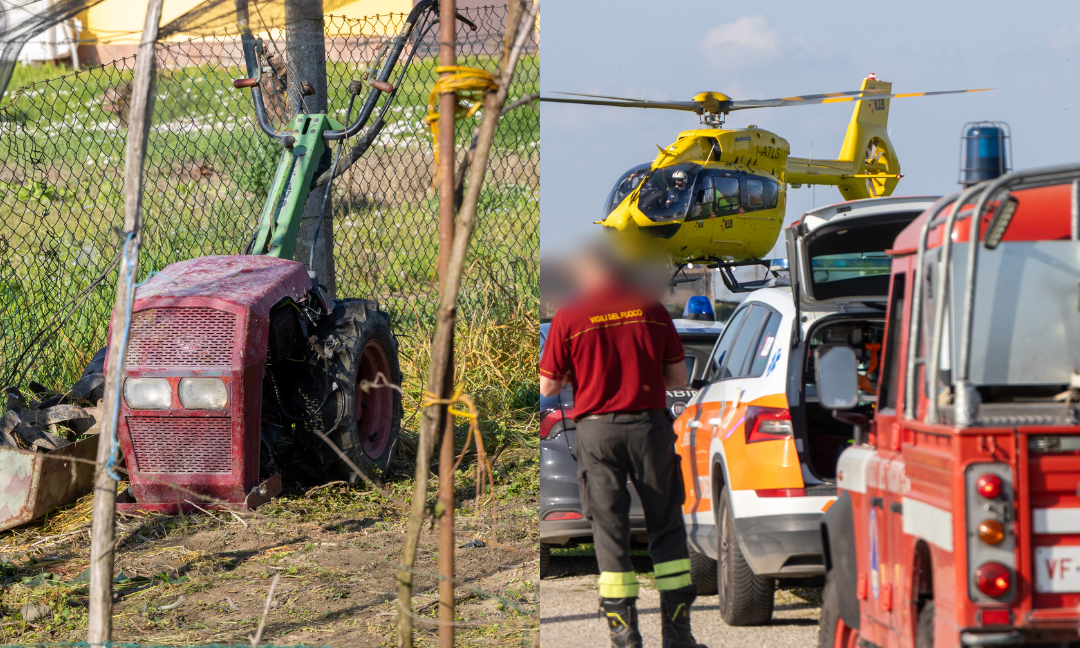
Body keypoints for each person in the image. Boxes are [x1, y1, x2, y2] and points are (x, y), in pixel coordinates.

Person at [539, 247, 706, 648]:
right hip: (650, 428)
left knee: (609, 530)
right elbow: (677, 378)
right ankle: (678, 635)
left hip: (597, 433)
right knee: (666, 527)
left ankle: (624, 635)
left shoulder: (570, 317)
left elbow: (549, 387)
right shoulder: (650, 309)